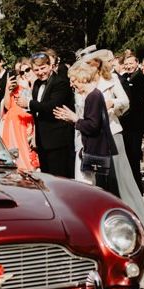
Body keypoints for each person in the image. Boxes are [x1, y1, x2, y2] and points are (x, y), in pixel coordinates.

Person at [83, 49, 144, 228]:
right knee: (99, 178)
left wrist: (113, 104)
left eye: (92, 63)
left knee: (121, 175)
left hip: (112, 131)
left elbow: (125, 102)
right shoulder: (84, 82)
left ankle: (136, 216)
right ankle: (106, 219)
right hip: (92, 136)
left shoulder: (112, 80)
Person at [53, 61, 117, 194]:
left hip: (91, 149)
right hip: (90, 147)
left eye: (73, 80)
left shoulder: (92, 96)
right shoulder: (94, 94)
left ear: (82, 77)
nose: (71, 84)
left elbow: (92, 126)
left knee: (86, 188)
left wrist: (74, 119)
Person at [18, 51, 75, 178]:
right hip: (42, 141)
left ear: (50, 66)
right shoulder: (37, 84)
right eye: (36, 70)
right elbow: (39, 109)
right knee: (46, 179)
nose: (40, 72)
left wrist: (29, 103)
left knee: (60, 179)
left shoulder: (61, 82)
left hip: (58, 140)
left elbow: (51, 106)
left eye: (43, 68)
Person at [1, 63, 38, 171]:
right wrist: (7, 89)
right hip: (12, 126)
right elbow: (7, 106)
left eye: (27, 70)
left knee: (27, 156)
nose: (24, 74)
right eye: (21, 72)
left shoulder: (33, 86)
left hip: (25, 124)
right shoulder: (16, 88)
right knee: (14, 157)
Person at [120, 54, 144, 192]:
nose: (129, 66)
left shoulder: (140, 78)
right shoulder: (125, 77)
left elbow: (136, 102)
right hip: (126, 124)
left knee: (134, 154)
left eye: (131, 63)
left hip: (135, 123)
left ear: (137, 63)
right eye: (126, 64)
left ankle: (137, 186)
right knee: (128, 154)